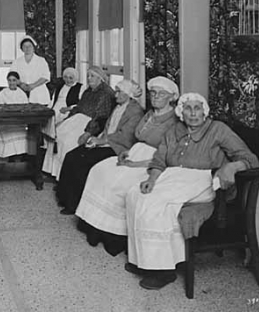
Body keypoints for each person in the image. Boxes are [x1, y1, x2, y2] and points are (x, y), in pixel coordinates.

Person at [123, 93, 259, 290]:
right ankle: (145, 261)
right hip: (173, 176)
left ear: (204, 111)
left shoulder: (218, 129)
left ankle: (163, 271)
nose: (193, 113)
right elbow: (160, 158)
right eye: (188, 108)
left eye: (197, 108)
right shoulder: (174, 130)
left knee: (157, 203)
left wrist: (232, 167)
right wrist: (152, 178)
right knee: (135, 195)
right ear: (181, 112)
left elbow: (249, 158)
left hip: (203, 179)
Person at [75, 76, 179, 256]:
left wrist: (136, 163)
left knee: (117, 183)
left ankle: (113, 237)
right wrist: (127, 153)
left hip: (151, 161)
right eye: (153, 93)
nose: (155, 97)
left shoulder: (174, 121)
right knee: (98, 171)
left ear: (172, 97)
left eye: (161, 94)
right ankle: (94, 228)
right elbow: (136, 137)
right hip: (134, 153)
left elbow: (168, 156)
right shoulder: (150, 114)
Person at [56, 79, 144, 215]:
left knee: (82, 163)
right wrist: (96, 138)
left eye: (119, 92)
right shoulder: (119, 106)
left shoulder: (135, 111)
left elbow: (126, 136)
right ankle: (64, 197)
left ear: (128, 94)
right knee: (71, 155)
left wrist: (102, 141)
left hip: (117, 147)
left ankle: (74, 204)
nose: (115, 95)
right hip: (105, 141)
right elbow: (108, 126)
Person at [42, 65, 115, 179]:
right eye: (88, 76)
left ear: (100, 78)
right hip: (77, 118)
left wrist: (87, 133)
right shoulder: (89, 90)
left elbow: (100, 117)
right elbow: (78, 107)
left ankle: (64, 176)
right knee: (57, 133)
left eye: (92, 76)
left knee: (68, 141)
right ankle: (53, 171)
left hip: (90, 123)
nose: (89, 78)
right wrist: (66, 120)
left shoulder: (105, 93)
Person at [0, 71, 33, 158]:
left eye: (14, 80)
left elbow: (26, 108)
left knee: (21, 132)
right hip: (6, 121)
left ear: (17, 81)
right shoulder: (3, 93)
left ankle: (21, 156)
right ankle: (10, 157)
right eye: (9, 80)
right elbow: (0, 107)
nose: (12, 83)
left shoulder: (22, 94)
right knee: (10, 133)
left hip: (19, 121)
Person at [10, 35, 51, 105]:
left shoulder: (41, 61)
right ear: (22, 49)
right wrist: (21, 84)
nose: (27, 48)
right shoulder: (16, 62)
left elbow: (46, 76)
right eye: (25, 46)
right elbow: (12, 76)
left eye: (29, 46)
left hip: (39, 93)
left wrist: (33, 85)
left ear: (33, 47)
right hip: (21, 91)